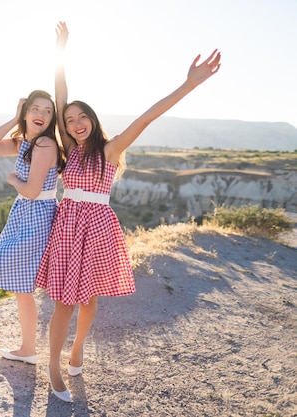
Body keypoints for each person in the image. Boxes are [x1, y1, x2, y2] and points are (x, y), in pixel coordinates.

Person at [36, 21, 221, 402]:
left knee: (89, 300)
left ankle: (77, 349)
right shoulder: (69, 151)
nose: (75, 123)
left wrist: (190, 84)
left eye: (80, 117)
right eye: (69, 121)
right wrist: (60, 53)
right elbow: (60, 96)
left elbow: (147, 118)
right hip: (68, 226)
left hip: (99, 227)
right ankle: (53, 364)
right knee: (65, 302)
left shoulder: (110, 150)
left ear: (92, 118)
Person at [0, 90, 64, 370]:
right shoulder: (26, 143)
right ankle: (28, 349)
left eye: (47, 111)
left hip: (35, 218)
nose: (41, 115)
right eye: (35, 109)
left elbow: (30, 191)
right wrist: (14, 118)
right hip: (24, 217)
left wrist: (13, 179)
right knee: (22, 287)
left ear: (52, 117)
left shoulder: (44, 145)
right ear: (26, 112)